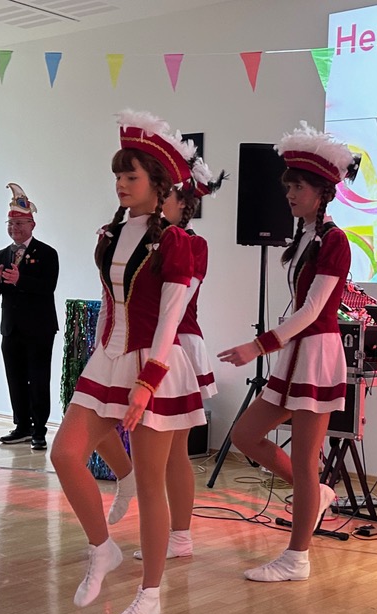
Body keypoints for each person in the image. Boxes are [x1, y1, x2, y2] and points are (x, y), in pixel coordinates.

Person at [51, 110, 205, 614]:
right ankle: (103, 548)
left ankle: (151, 594)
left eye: (131, 175)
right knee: (65, 453)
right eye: (118, 174)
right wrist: (95, 359)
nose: (120, 183)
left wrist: (149, 380)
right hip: (108, 360)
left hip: (153, 364)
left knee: (152, 483)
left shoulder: (176, 241)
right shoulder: (110, 232)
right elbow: (107, 302)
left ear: (158, 184)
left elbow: (171, 316)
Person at [218, 122, 359, 582]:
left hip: (317, 355)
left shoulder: (335, 240)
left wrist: (257, 345)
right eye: (289, 187)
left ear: (322, 192)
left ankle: (297, 557)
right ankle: (316, 493)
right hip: (295, 354)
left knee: (303, 460)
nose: (290, 195)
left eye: (298, 187)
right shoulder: (305, 237)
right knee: (245, 435)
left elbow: (315, 309)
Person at [124, 157, 226, 562]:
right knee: (162, 453)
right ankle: (169, 531)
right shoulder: (147, 236)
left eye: (166, 195)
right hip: (151, 344)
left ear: (184, 203)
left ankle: (179, 536)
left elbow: (178, 303)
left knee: (174, 452)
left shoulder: (191, 243)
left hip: (177, 345)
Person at [0, 183, 58, 451]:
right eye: (11, 224)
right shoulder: (2, 254)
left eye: (19, 223)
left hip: (39, 329)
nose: (14, 228)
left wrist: (20, 280)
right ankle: (22, 426)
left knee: (38, 379)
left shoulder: (47, 253)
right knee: (15, 379)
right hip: (11, 328)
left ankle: (39, 430)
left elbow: (48, 287)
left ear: (32, 225)